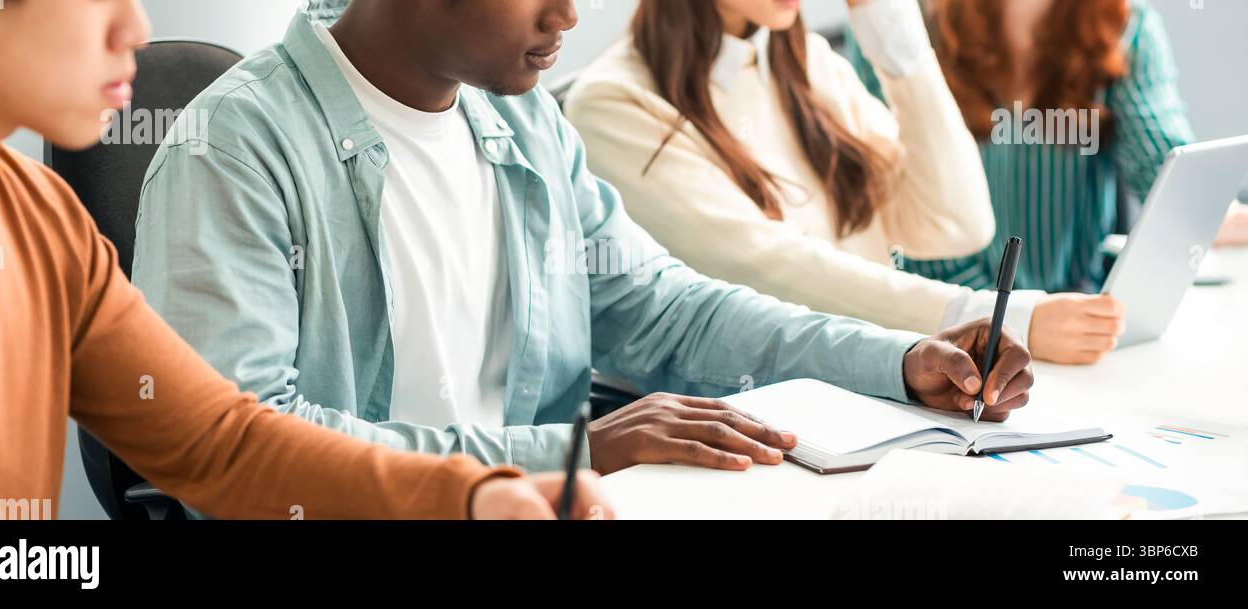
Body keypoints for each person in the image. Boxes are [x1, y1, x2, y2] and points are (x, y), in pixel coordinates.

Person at [133, 0, 1037, 480]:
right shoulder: (237, 148)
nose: (570, 13)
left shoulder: (526, 130)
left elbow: (664, 311)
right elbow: (238, 446)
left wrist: (899, 361)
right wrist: (573, 453)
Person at [0, 0, 611, 521]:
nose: (137, 26)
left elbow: (221, 441)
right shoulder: (238, 138)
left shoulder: (39, 218)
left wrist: (468, 494)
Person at [564, 0, 1127, 366]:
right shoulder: (615, 104)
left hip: (886, 393)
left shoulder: (803, 61)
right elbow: (771, 271)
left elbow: (955, 223)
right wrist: (991, 320)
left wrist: (896, 40)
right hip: (771, 418)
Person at [843, 0, 1248, 337]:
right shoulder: (901, 22)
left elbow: (1164, 167)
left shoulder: (1125, 25)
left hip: (1073, 312)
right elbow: (879, 188)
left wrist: (1216, 212)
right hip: (937, 320)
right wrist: (1014, 317)